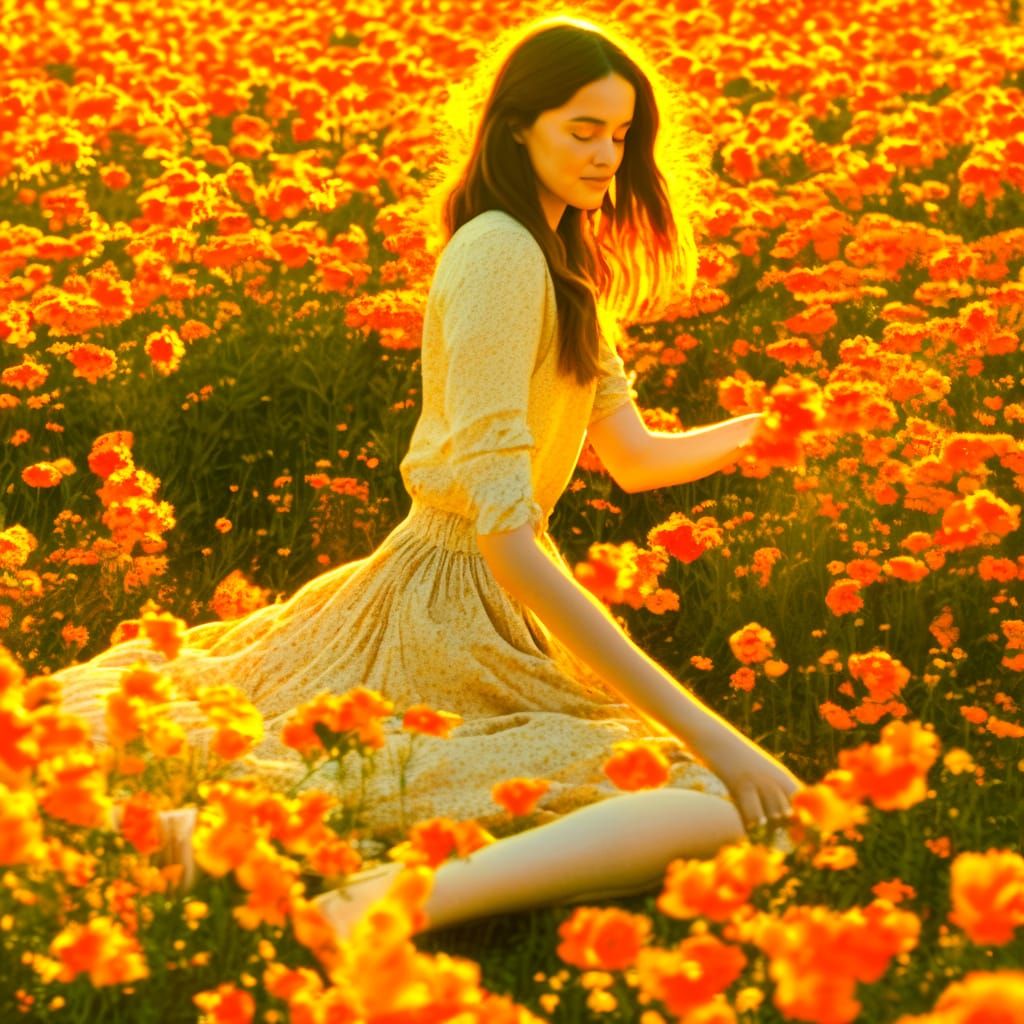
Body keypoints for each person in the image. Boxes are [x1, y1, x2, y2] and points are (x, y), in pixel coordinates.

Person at [50, 16, 804, 940]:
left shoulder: (559, 256)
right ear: (517, 126)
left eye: (621, 133)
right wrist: (714, 735)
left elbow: (635, 457)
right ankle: (369, 904)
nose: (608, 154)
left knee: (698, 801)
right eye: (583, 129)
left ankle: (235, 850)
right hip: (445, 602)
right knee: (715, 800)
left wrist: (768, 430)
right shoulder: (501, 255)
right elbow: (505, 536)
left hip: (480, 599)